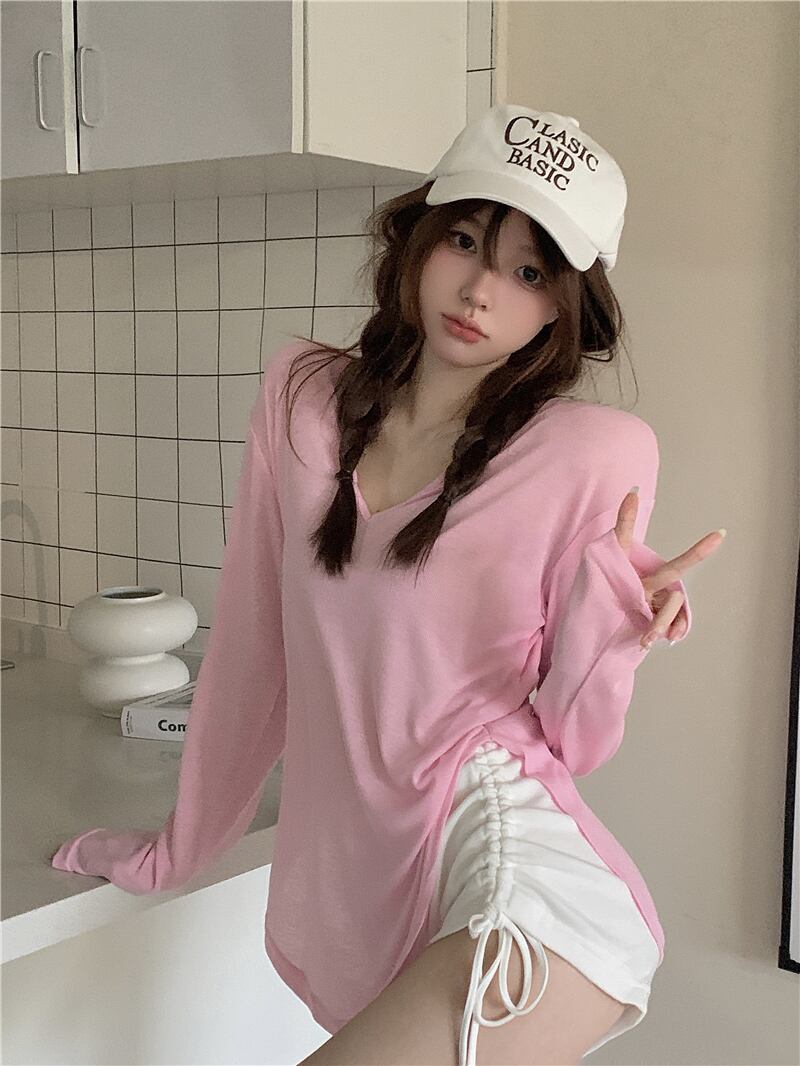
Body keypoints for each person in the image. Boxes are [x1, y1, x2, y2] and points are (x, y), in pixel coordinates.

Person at [51, 104, 725, 1065]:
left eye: (530, 272)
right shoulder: (301, 397)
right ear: (420, 235)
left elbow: (574, 739)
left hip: (515, 866)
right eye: (467, 241)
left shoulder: (593, 452)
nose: (481, 290)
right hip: (375, 862)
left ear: (560, 308)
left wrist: (615, 627)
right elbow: (253, 647)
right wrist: (182, 844)